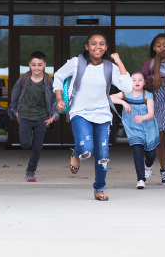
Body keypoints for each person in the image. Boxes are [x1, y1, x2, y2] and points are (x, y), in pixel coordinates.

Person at [53, 31, 131, 201]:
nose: (98, 47)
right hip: (80, 112)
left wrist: (118, 61)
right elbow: (58, 77)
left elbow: (128, 86)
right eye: (93, 43)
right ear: (87, 47)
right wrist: (59, 99)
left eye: (102, 44)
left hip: (102, 114)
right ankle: (77, 154)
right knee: (86, 150)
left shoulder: (111, 67)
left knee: (103, 154)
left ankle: (99, 189)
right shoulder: (76, 63)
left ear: (106, 48)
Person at [8, 51, 58, 182]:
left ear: (45, 65)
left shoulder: (48, 80)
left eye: (40, 65)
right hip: (24, 116)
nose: (37, 68)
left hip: (42, 118)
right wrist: (15, 111)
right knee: (25, 144)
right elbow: (14, 95)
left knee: (37, 147)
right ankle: (28, 144)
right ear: (29, 65)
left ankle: (30, 172)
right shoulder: (24, 79)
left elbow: (55, 99)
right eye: (34, 65)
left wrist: (55, 114)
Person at [141, 33, 165, 185]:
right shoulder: (150, 63)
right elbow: (142, 81)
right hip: (156, 102)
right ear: (154, 47)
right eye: (159, 45)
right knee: (160, 139)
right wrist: (154, 78)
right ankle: (164, 170)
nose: (162, 48)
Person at [111, 71, 159, 189]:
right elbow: (110, 98)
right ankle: (140, 179)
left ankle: (148, 165)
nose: (137, 82)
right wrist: (123, 102)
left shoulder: (147, 95)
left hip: (149, 128)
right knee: (138, 152)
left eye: (140, 80)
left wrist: (143, 117)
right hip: (133, 128)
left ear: (144, 82)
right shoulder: (126, 93)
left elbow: (151, 113)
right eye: (133, 80)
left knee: (151, 154)